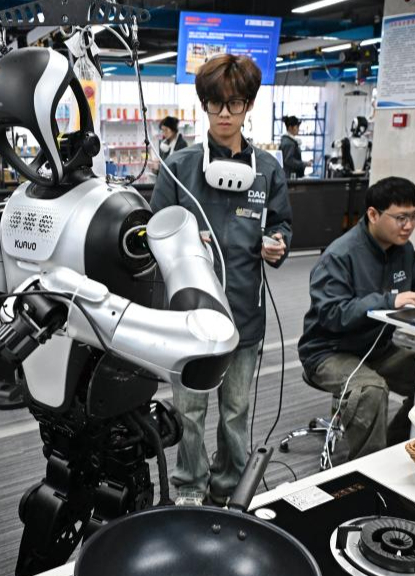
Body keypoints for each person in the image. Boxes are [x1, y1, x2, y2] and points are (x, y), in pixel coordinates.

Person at [151, 54, 293, 507]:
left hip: (244, 310)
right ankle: (189, 486)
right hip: (189, 314)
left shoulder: (267, 169)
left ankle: (229, 483)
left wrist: (277, 243)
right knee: (189, 410)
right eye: (215, 104)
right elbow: (152, 231)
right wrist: (184, 239)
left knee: (236, 410)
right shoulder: (180, 166)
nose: (225, 114)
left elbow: (282, 224)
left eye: (235, 104)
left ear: (248, 105)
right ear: (204, 106)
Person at [297, 177, 415, 460]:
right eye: (401, 218)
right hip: (328, 353)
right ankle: (368, 470)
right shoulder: (340, 255)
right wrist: (389, 301)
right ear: (373, 215)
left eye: (414, 216)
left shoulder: (402, 250)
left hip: (376, 349)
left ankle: (395, 450)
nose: (409, 225)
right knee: (370, 390)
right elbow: (332, 314)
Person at [279, 116, 306, 180]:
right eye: (297, 127)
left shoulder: (288, 141)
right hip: (290, 176)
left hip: (288, 175)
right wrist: (303, 164)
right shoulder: (289, 143)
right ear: (290, 128)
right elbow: (289, 160)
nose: (298, 129)